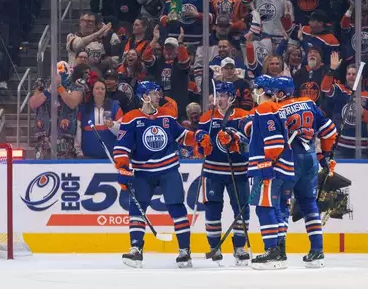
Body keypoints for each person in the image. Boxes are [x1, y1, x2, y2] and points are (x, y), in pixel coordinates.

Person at [113, 81, 213, 269]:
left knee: (177, 208)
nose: (159, 96)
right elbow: (121, 148)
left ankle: (185, 251)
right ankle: (136, 249)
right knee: (137, 209)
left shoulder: (166, 116)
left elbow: (183, 136)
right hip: (143, 172)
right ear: (144, 96)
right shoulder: (131, 118)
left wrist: (198, 137)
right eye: (154, 93)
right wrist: (123, 168)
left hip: (168, 169)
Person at [274, 76, 337, 268]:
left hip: (289, 161)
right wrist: (324, 154)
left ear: (280, 93)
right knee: (309, 204)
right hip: (309, 160)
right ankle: (317, 251)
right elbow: (329, 131)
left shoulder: (276, 110)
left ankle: (279, 250)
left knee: (282, 204)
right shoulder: (308, 103)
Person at [241, 75, 294, 270]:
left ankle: (272, 250)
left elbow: (274, 140)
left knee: (264, 208)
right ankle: (279, 250)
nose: (253, 92)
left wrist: (266, 164)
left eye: (256, 88)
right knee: (276, 208)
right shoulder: (278, 109)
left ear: (262, 90)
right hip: (283, 167)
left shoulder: (265, 108)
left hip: (270, 167)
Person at [198, 81, 250, 265]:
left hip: (239, 172)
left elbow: (249, 143)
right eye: (217, 95)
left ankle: (239, 247)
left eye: (223, 96)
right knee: (212, 209)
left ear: (231, 98)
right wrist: (201, 141)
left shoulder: (244, 117)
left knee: (242, 209)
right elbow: (198, 142)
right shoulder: (207, 118)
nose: (219, 99)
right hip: (213, 172)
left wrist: (235, 139)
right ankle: (214, 246)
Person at [323, 52, 368, 159]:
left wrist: (363, 112)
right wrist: (332, 70)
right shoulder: (340, 90)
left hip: (361, 148)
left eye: (354, 74)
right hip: (340, 147)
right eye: (349, 74)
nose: (351, 76)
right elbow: (325, 88)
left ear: (360, 77)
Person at [75, 79, 123, 159]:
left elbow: (122, 132)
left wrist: (113, 125)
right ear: (92, 91)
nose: (100, 91)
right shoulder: (84, 109)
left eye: (102, 89)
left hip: (111, 158)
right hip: (88, 158)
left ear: (105, 91)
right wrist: (78, 152)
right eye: (97, 88)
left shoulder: (115, 107)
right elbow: (78, 132)